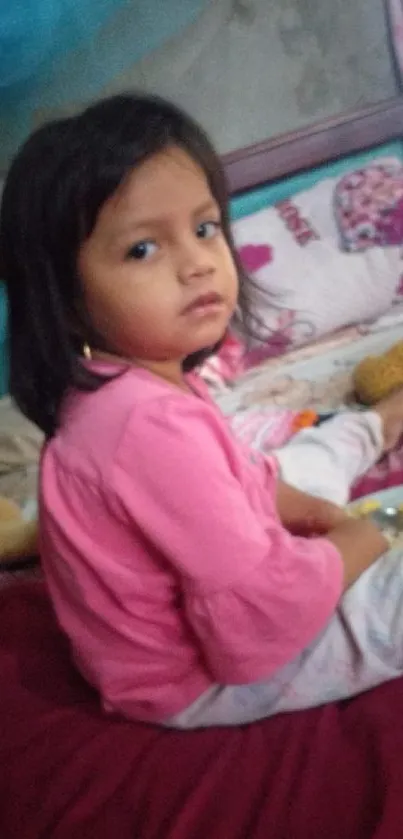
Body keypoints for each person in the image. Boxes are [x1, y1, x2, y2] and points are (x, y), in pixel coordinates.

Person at [2, 94, 403, 729]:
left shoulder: (134, 387)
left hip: (198, 616)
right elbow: (256, 623)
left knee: (294, 463)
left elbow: (240, 480)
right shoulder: (142, 427)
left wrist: (303, 511)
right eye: (141, 250)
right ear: (66, 299)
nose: (196, 263)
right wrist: (358, 541)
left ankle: (380, 421)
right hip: (194, 681)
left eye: (204, 227)